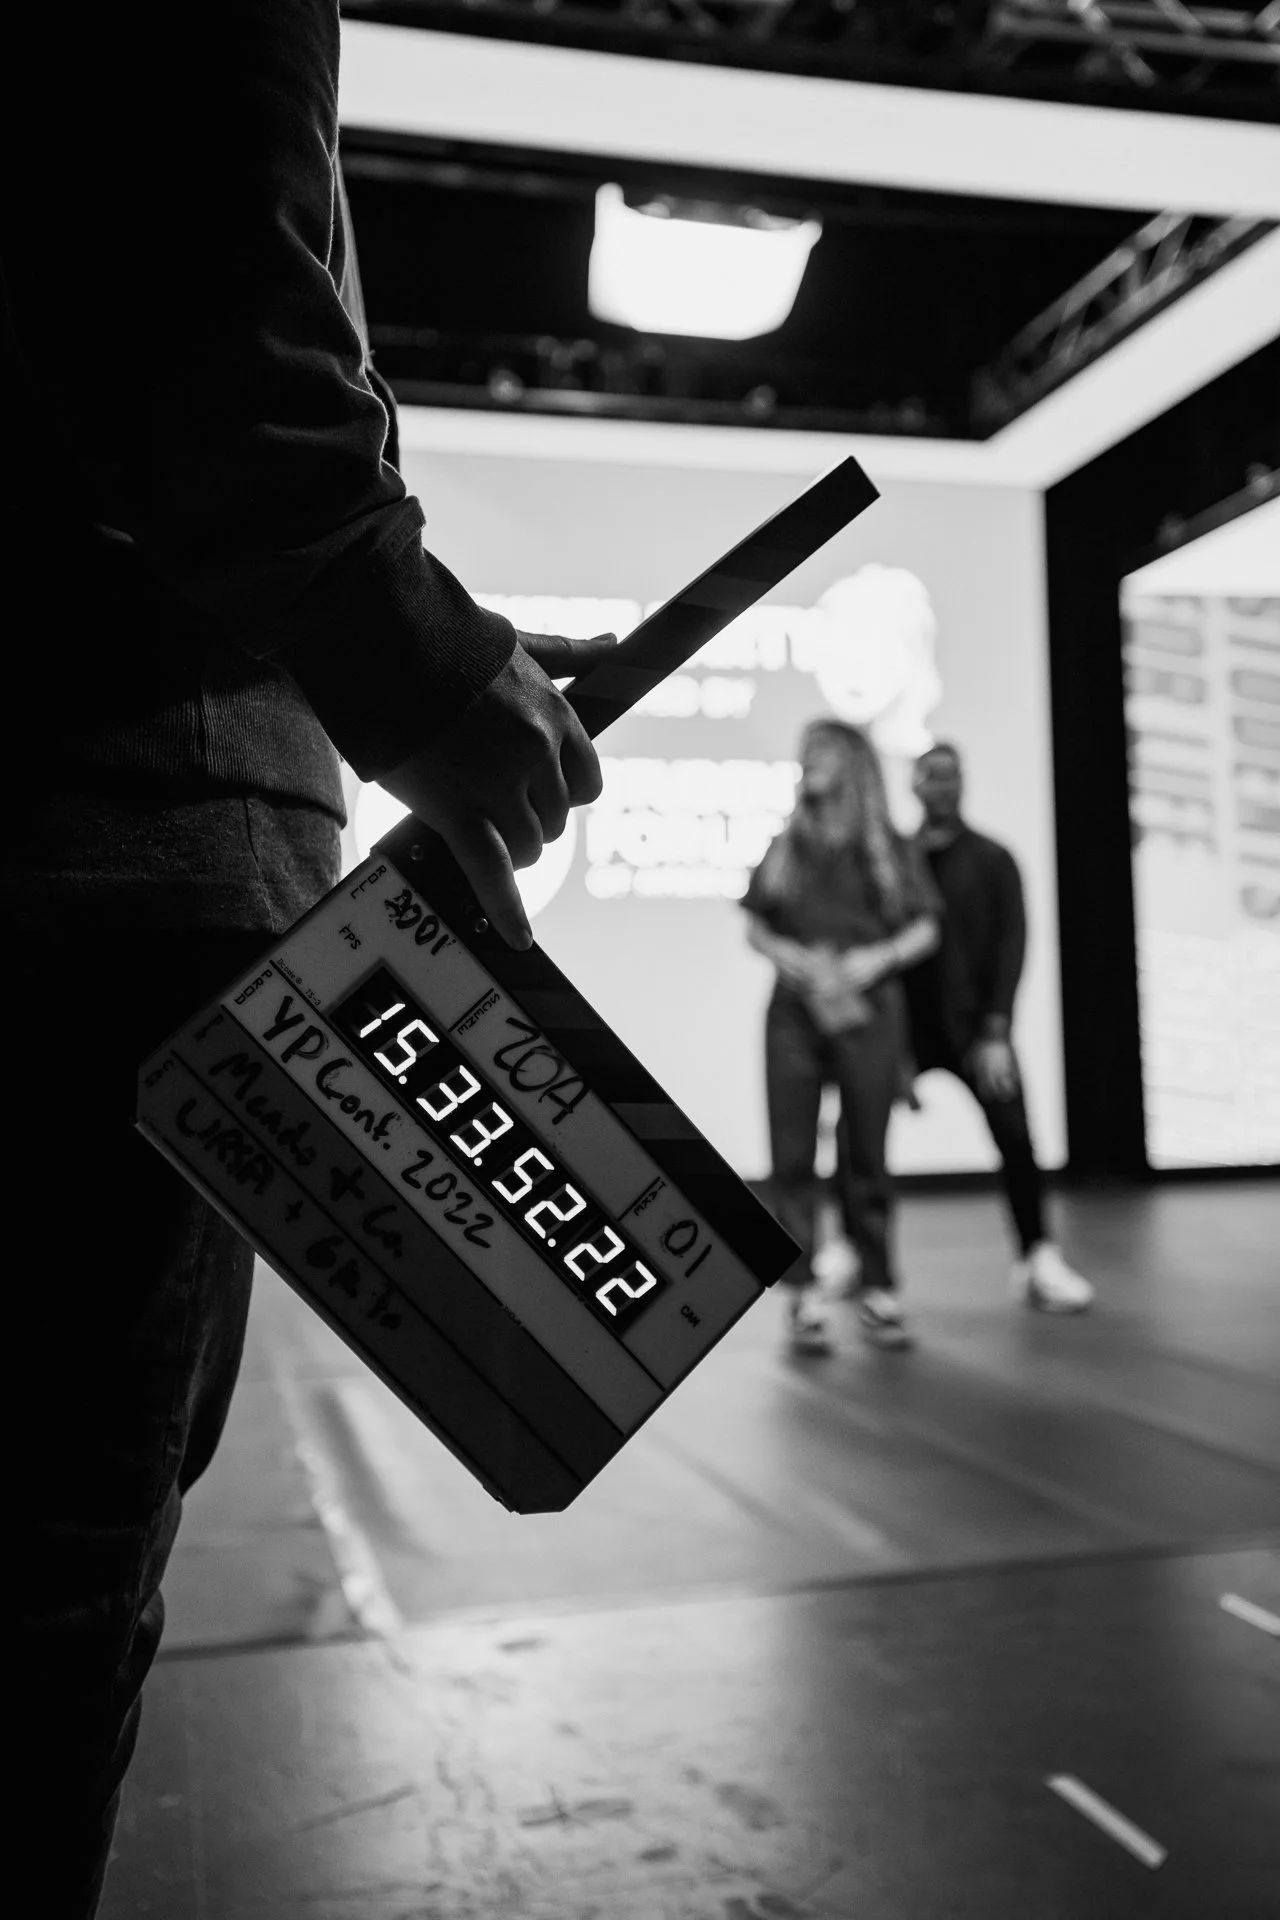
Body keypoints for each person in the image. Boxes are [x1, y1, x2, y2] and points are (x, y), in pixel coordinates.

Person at [3, 10, 615, 1915]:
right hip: (106, 872)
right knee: (39, 1615)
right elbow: (199, 262)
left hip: (92, 858)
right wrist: (414, 663)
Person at [742, 720, 940, 1355]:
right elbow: (755, 925)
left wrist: (878, 958)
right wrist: (785, 954)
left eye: (821, 751)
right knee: (792, 1155)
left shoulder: (886, 846)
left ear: (851, 762)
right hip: (795, 1014)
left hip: (868, 1012)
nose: (808, 759)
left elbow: (926, 928)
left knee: (866, 1155)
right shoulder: (789, 845)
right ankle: (803, 1294)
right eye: (805, 751)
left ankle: (878, 1286)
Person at [892, 742, 1095, 1311]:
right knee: (859, 1133)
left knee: (1015, 1136)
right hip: (906, 1031)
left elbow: (1012, 945)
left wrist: (997, 1030)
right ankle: (857, 1256)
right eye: (932, 776)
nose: (944, 786)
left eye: (952, 776)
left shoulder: (992, 858)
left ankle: (1038, 1256)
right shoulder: (896, 859)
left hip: (976, 1030)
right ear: (913, 784)